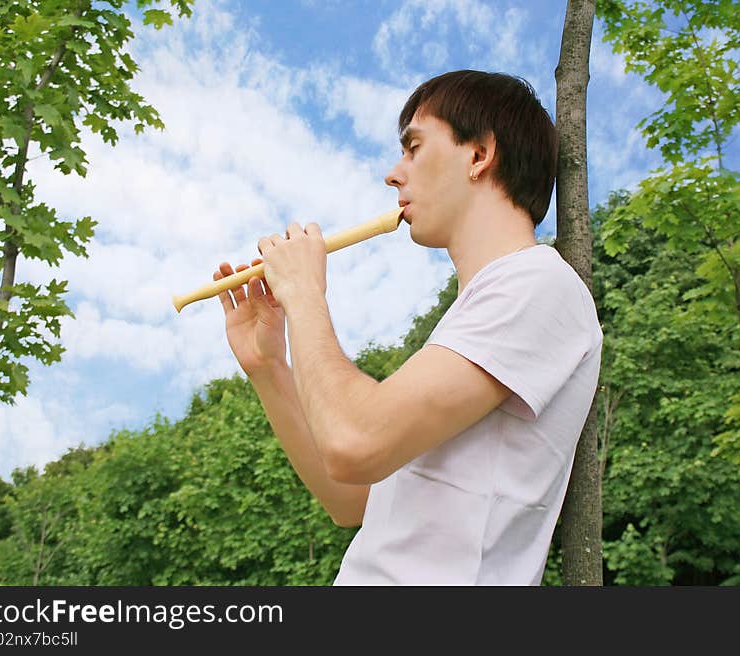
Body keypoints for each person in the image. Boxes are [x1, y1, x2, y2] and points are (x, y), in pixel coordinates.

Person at [214, 70, 603, 585]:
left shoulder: (538, 282)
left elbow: (353, 443)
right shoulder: (477, 313)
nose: (394, 174)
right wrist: (268, 366)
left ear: (479, 154)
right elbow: (351, 500)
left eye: (414, 147)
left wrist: (305, 295)